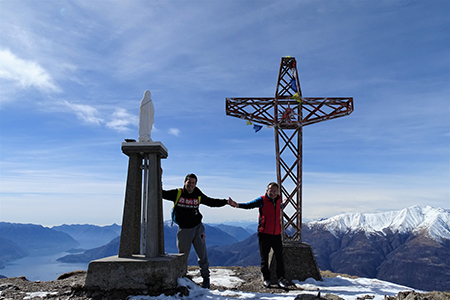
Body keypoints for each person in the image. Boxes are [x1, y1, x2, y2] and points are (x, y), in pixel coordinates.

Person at [162, 173, 233, 289]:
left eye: (193, 183)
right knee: (182, 256)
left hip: (198, 228)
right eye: (189, 182)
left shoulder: (197, 194)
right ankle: (182, 277)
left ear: (196, 184)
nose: (191, 185)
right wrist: (158, 177)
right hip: (184, 230)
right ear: (184, 182)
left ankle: (206, 279)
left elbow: (211, 202)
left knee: (202, 254)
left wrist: (225, 202)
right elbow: (161, 193)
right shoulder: (177, 193)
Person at [229, 182, 290, 288]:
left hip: (276, 234)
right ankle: (266, 278)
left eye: (275, 190)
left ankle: (281, 278)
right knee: (264, 257)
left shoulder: (279, 200)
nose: (273, 192)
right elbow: (249, 205)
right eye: (271, 190)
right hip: (264, 234)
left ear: (278, 192)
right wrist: (237, 205)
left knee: (280, 257)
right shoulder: (262, 200)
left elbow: (281, 206)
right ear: (267, 191)